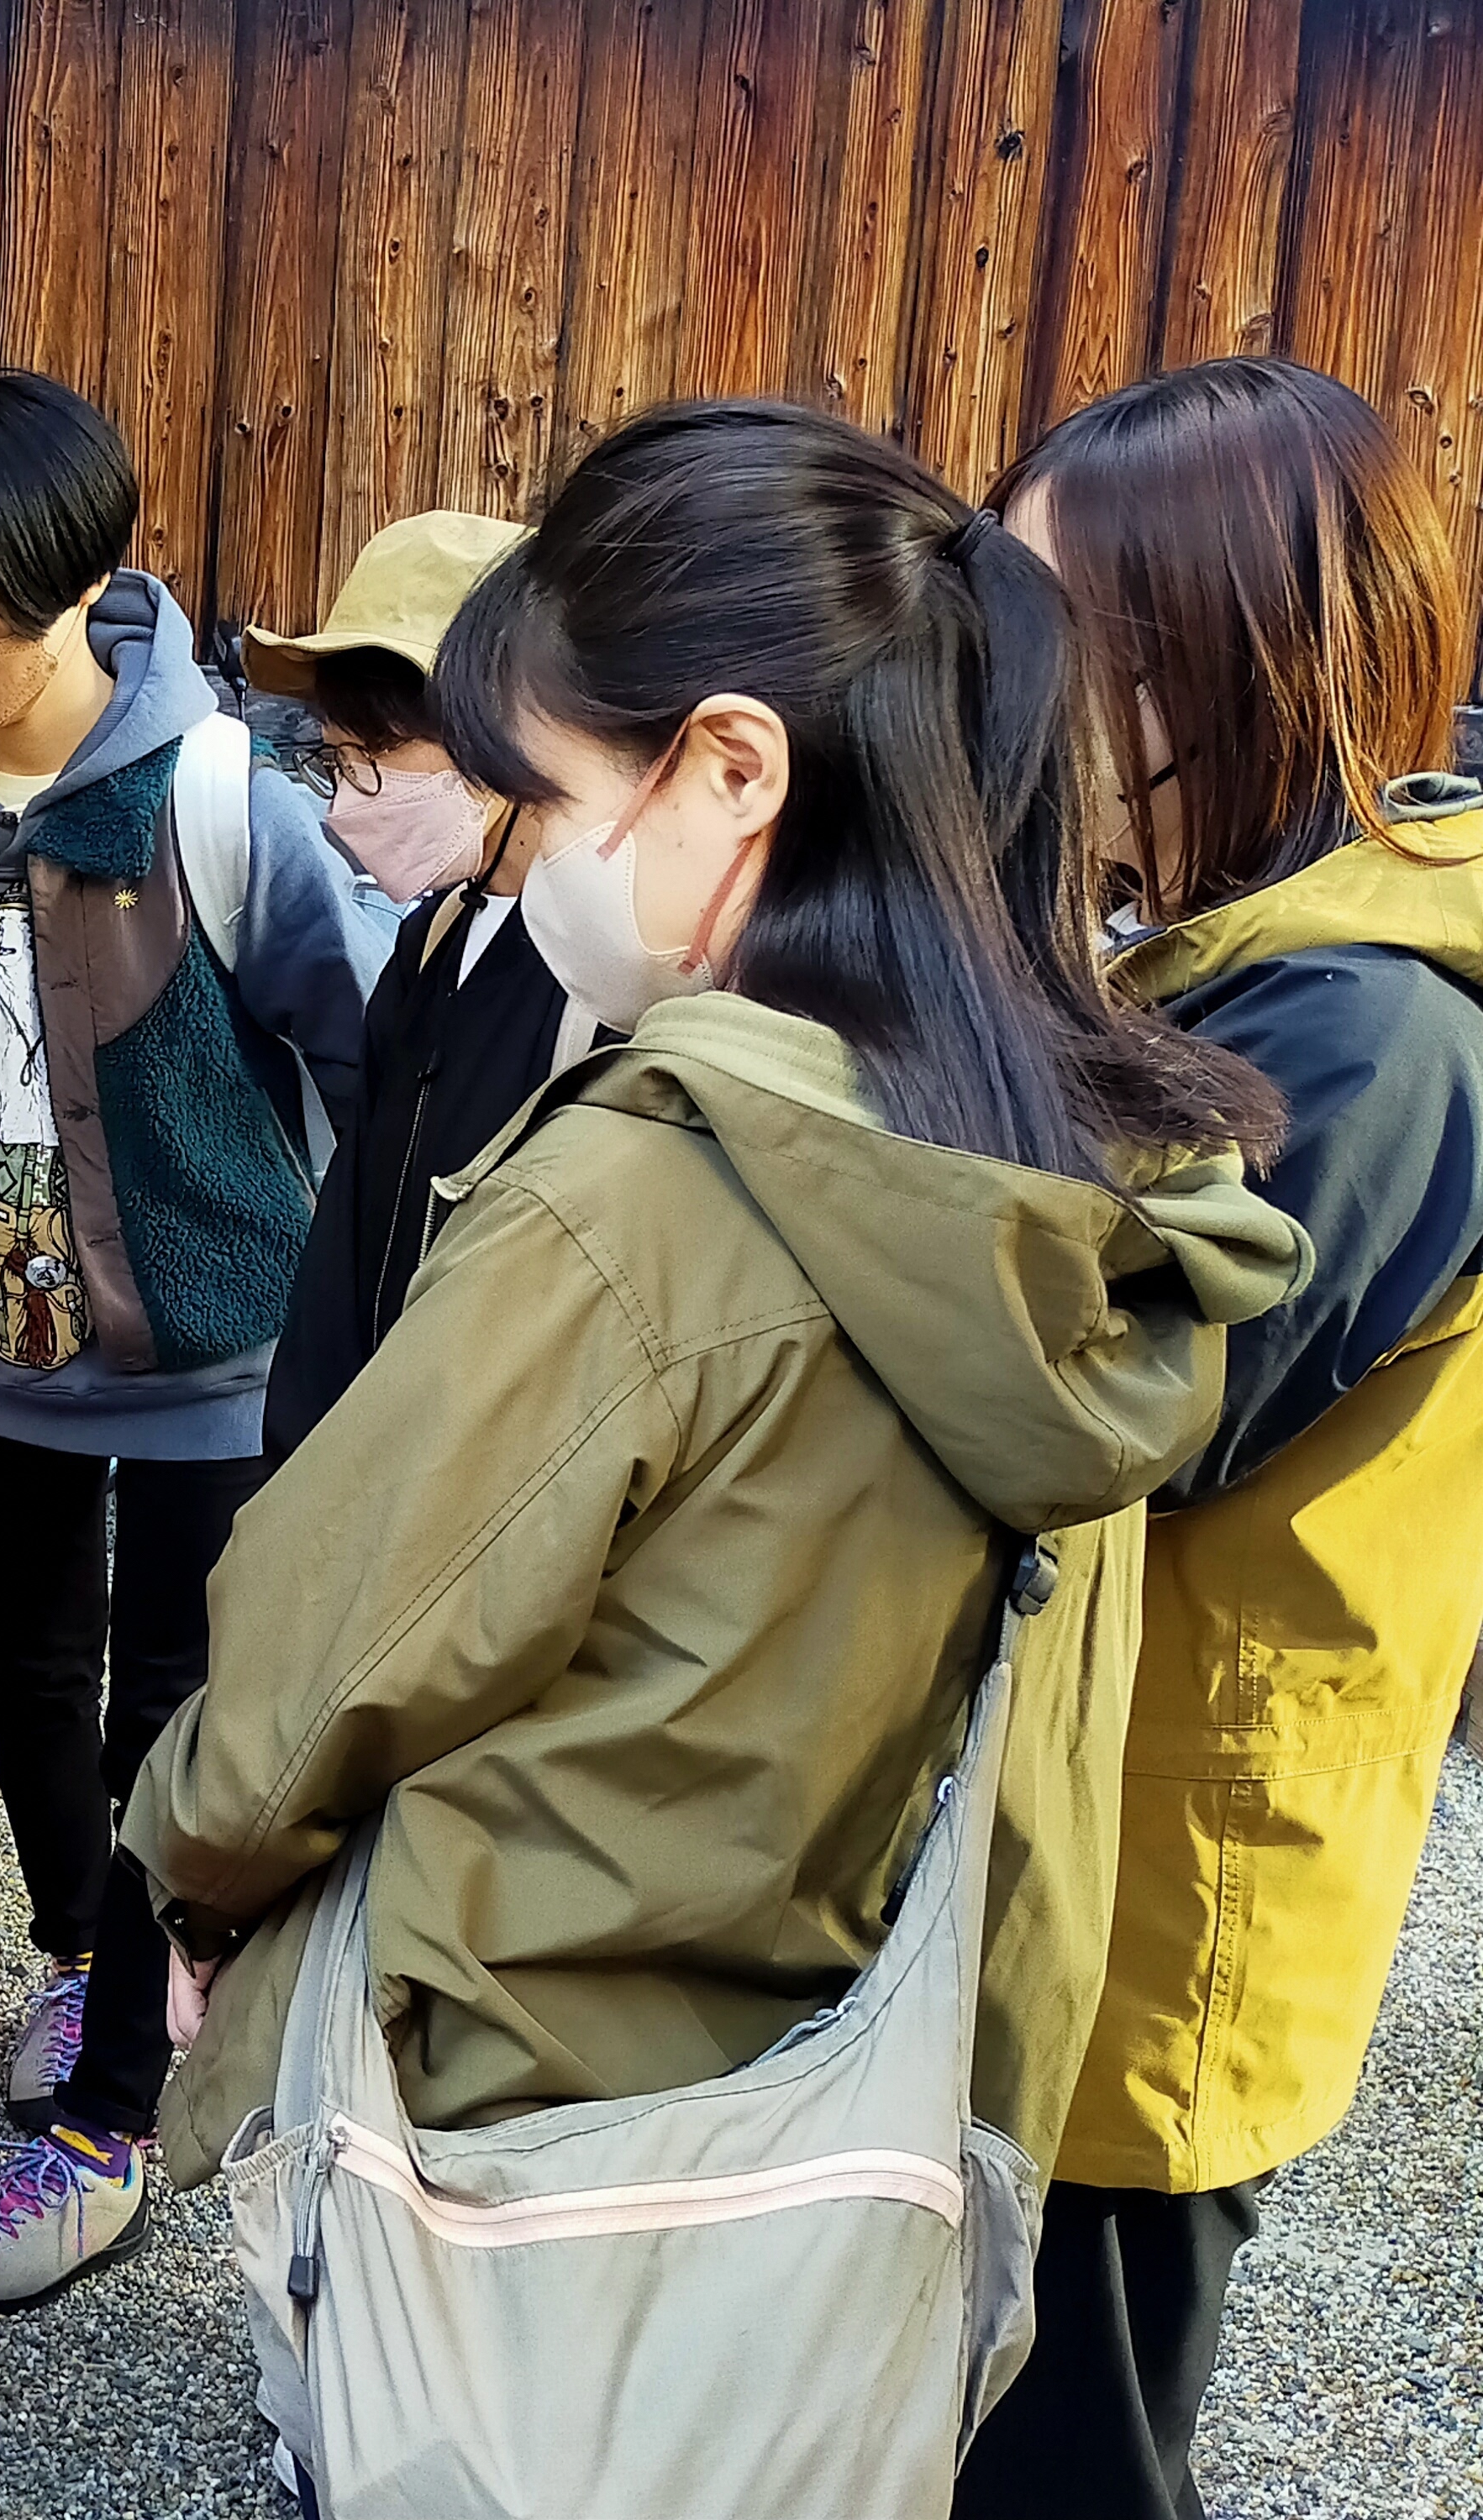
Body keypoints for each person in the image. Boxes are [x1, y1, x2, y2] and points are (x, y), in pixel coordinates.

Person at [120, 402, 1305, 2375]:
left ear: (727, 766)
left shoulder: (649, 1187)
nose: (527, 854)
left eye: (547, 788)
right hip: (844, 2130)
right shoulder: (1079, 1173)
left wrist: (193, 1871)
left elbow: (321, 1662)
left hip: (531, 2114)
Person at [0, 368, 388, 2311]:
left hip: (215, 1338)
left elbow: (355, 1043)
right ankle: (75, 1958)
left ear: (68, 589)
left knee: (174, 1697)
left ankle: (113, 2113)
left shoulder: (214, 794)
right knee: (33, 1661)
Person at [957, 359, 1483, 2520]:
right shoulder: (1229, 946)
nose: (1016, 685)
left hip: (1169, 1895)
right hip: (1089, 1841)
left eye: (1058, 636)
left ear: (1231, 658)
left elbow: (1101, 1410)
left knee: (1069, 2451)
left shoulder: (1368, 1024)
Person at [235, 510, 603, 1462]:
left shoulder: (599, 983)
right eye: (335, 758)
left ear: (506, 734)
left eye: (381, 756)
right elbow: (351, 1228)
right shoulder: (431, 936)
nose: (352, 795)